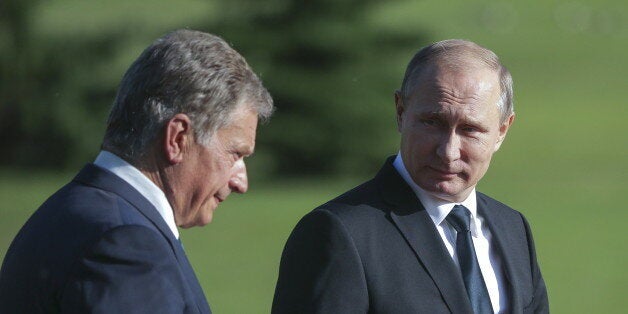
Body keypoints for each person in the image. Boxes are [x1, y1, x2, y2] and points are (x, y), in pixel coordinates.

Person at [0, 29, 273, 313]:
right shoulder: (126, 245)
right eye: (235, 154)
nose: (241, 181)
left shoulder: (69, 213)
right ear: (178, 139)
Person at [272, 39, 548, 314]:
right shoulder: (338, 234)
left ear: (501, 131)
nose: (448, 151)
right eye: (432, 122)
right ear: (401, 112)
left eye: (470, 129)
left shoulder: (513, 230)